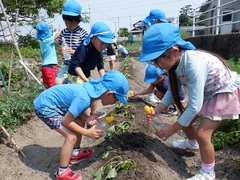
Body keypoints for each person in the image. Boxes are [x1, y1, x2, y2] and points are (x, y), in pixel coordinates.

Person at [138, 23, 240, 180]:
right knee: (184, 118)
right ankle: (192, 143)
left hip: (223, 93)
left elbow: (194, 105)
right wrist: (160, 107)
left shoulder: (193, 64)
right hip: (209, 92)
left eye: (156, 61)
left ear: (174, 51)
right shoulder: (176, 62)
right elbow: (173, 89)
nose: (157, 65)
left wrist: (172, 128)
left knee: (202, 134)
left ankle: (207, 173)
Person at [33, 70, 129, 180]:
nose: (115, 103)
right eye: (116, 100)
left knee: (79, 121)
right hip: (45, 107)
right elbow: (66, 121)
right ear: (109, 94)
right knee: (71, 137)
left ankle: (75, 153)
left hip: (55, 104)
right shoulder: (84, 98)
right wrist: (87, 133)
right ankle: (62, 172)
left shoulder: (89, 92)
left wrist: (87, 118)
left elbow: (76, 112)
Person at [68, 21, 114, 118]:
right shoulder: (84, 48)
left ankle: (93, 113)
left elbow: (100, 67)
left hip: (86, 75)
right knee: (85, 96)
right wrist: (85, 80)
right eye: (102, 43)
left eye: (106, 44)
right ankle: (81, 115)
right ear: (92, 39)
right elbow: (76, 65)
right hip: (75, 76)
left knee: (96, 91)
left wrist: (104, 80)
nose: (104, 46)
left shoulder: (99, 52)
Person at [55, 0, 88, 85]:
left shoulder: (82, 33)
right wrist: (61, 50)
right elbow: (60, 47)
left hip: (78, 66)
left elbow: (86, 52)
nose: (69, 25)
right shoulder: (63, 33)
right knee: (57, 83)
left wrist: (74, 52)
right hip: (66, 64)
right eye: (66, 23)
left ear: (79, 20)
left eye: (72, 23)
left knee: (74, 86)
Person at [142, 8, 169, 103]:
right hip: (155, 55)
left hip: (153, 55)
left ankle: (162, 96)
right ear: (156, 20)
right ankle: (152, 94)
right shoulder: (153, 29)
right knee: (155, 73)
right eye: (161, 21)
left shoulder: (149, 27)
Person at [36, 22, 60, 88]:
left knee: (48, 87)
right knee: (54, 86)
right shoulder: (47, 41)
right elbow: (57, 35)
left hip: (44, 67)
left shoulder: (42, 43)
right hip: (50, 66)